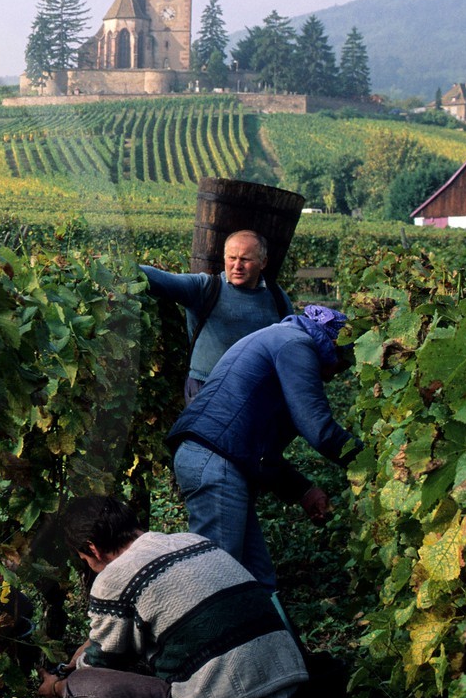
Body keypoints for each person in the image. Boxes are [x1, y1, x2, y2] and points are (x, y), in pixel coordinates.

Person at [36, 495, 307, 698]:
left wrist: (59, 685)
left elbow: (103, 663)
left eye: (84, 559)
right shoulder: (194, 541)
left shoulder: (113, 577)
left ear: (92, 549)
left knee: (81, 687)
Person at [166, 305, 360, 594]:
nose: (333, 375)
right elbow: (318, 429)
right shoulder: (296, 345)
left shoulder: (283, 337)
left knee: (257, 581)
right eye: (341, 364)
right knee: (219, 586)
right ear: (332, 344)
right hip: (214, 460)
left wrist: (303, 490)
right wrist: (370, 462)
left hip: (217, 458)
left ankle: (271, 639)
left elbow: (252, 443)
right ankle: (183, 637)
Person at [140, 229, 292, 401]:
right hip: (206, 387)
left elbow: (289, 342)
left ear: (262, 262)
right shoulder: (205, 288)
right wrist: (126, 269)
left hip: (257, 391)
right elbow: (159, 279)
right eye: (232, 258)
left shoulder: (277, 297)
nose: (237, 266)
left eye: (245, 259)